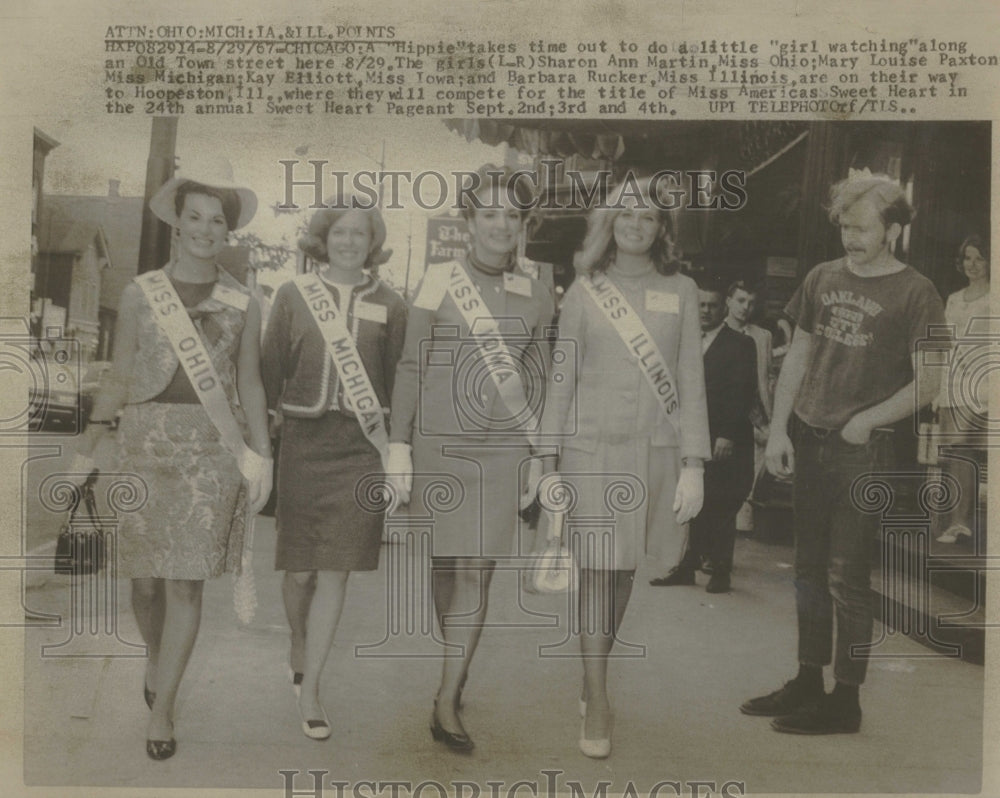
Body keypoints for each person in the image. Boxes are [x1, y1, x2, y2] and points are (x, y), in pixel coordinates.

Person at [74, 157, 273, 760]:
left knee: (186, 587)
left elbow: (252, 383)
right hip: (144, 441)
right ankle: (155, 658)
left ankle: (162, 711)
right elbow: (122, 371)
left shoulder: (243, 302)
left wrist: (261, 452)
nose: (207, 229)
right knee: (142, 585)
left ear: (226, 231)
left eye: (218, 221)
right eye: (196, 217)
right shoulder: (140, 294)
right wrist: (88, 446)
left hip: (210, 452)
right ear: (178, 224)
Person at [740, 169, 945, 734]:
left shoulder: (917, 292)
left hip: (866, 449)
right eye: (844, 229)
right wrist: (780, 429)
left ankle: (845, 699)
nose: (851, 239)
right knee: (807, 569)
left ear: (894, 229)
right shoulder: (822, 277)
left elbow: (930, 382)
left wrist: (867, 420)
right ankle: (808, 679)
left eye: (862, 229)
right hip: (810, 436)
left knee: (847, 576)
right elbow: (799, 358)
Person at [387, 165, 554, 753]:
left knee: (476, 572)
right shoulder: (436, 281)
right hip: (440, 445)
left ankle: (446, 695)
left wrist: (543, 454)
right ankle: (454, 663)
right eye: (489, 214)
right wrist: (398, 444)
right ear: (469, 221)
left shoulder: (539, 290)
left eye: (513, 215)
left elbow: (539, 375)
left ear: (523, 224)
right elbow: (410, 365)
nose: (501, 225)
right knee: (445, 566)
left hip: (504, 450)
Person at [541, 177, 710, 757]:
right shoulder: (585, 290)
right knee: (595, 569)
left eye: (650, 217)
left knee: (623, 572)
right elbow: (561, 377)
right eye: (627, 214)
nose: (637, 224)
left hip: (654, 455)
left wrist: (695, 463)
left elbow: (691, 378)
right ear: (610, 222)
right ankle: (598, 695)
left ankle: (593, 675)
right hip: (592, 452)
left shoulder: (682, 289)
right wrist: (546, 457)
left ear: (663, 229)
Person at [261, 198, 407, 740]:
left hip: (361, 449)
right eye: (340, 232)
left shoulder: (392, 303)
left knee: (335, 570)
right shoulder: (293, 295)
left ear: (373, 241)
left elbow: (399, 383)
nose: (349, 241)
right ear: (324, 238)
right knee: (299, 572)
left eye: (360, 233)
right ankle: (297, 641)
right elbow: (269, 371)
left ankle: (314, 687)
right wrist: (259, 445)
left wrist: (397, 451)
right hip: (302, 442)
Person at [649, 281, 758, 593]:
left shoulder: (739, 344)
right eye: (700, 305)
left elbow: (743, 392)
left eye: (712, 305)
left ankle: (721, 570)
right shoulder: (681, 342)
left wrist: (727, 434)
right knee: (690, 501)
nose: (706, 311)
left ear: (723, 307)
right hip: (686, 437)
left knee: (721, 504)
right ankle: (686, 565)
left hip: (723, 438)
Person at [932, 234, 990, 543]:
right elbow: (945, 344)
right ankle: (956, 522)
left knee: (970, 453)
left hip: (982, 387)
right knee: (954, 453)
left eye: (979, 258)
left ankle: (962, 522)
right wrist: (938, 387)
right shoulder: (954, 298)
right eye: (968, 258)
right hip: (952, 384)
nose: (973, 264)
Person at [725, 280, 774, 534]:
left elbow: (765, 378)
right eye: (741, 301)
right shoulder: (715, 331)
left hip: (755, 415)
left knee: (749, 475)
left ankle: (742, 526)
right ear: (729, 301)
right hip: (724, 414)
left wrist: (770, 419)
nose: (746, 307)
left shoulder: (762, 336)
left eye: (751, 303)